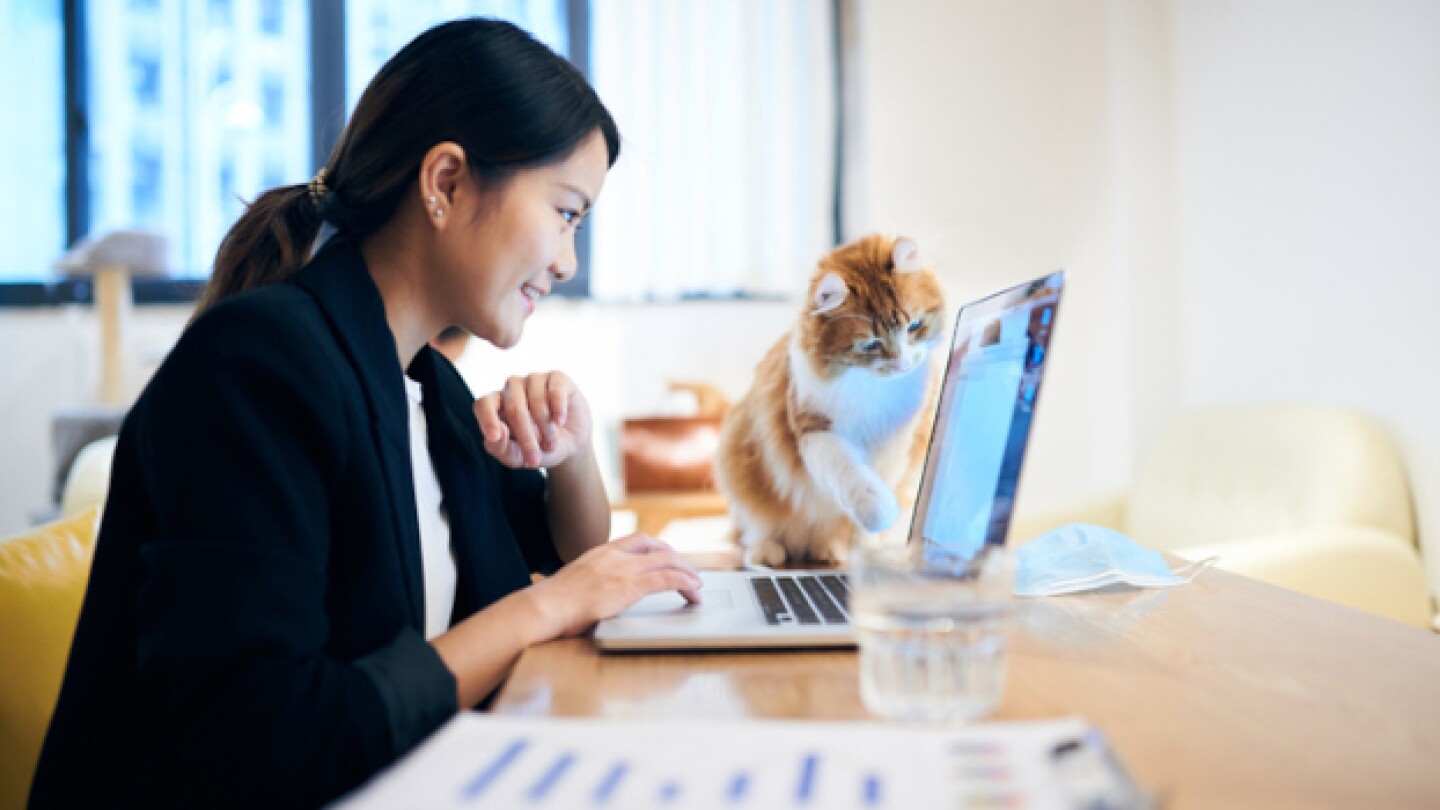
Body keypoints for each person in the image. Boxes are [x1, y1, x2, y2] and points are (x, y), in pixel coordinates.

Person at [30, 18, 701, 809]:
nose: (567, 260)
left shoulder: (427, 386)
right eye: (565, 213)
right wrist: (544, 606)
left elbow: (570, 561)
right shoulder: (254, 368)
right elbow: (270, 741)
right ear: (446, 183)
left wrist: (574, 456)